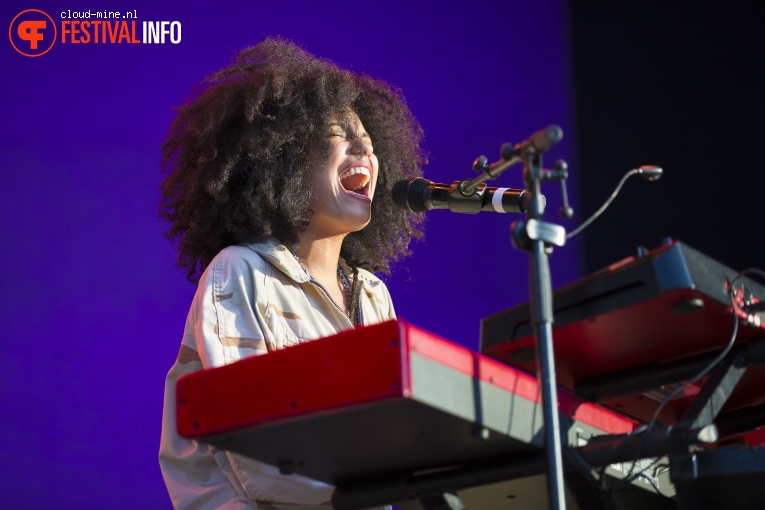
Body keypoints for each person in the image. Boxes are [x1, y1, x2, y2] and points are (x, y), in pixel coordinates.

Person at [158, 38, 426, 509]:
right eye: (335, 137)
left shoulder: (372, 295)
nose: (361, 147)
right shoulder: (241, 272)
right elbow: (255, 460)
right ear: (280, 161)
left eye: (366, 140)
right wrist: (399, 478)